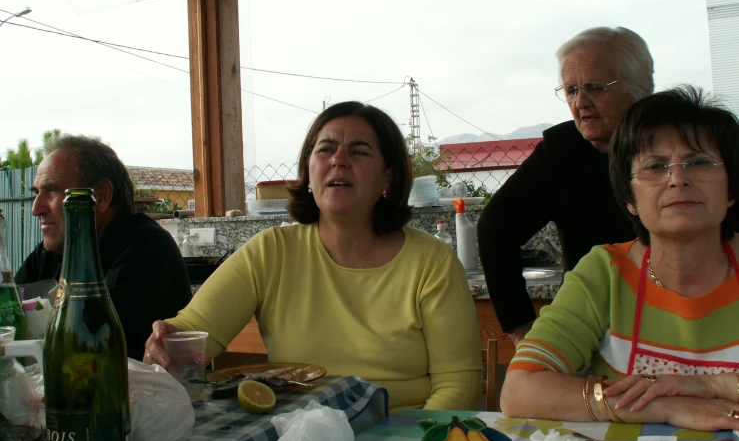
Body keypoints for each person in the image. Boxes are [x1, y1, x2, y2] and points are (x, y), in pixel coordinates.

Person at [144, 101, 483, 411]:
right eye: (326, 149)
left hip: (402, 437)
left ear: (388, 175)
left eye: (359, 151)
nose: (338, 159)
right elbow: (194, 331)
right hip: (297, 438)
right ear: (309, 171)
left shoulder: (432, 262)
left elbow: (459, 385)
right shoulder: (271, 252)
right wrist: (167, 343)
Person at [501, 86, 739, 432]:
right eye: (655, 166)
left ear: (731, 189)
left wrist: (709, 386)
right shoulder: (605, 273)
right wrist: (666, 406)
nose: (678, 179)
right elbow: (519, 391)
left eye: (698, 162)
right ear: (630, 199)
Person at [477, 27, 655, 346]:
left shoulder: (685, 144)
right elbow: (495, 227)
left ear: (640, 88)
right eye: (571, 90)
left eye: (595, 87)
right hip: (593, 329)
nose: (580, 102)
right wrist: (520, 327)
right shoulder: (564, 150)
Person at [16, 135, 192, 360]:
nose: (36, 208)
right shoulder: (49, 254)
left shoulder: (146, 249)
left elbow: (86, 345)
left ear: (100, 195)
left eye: (51, 191)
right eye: (36, 193)